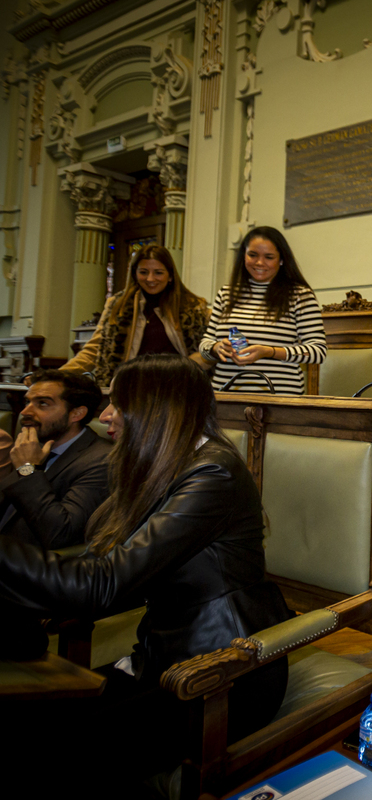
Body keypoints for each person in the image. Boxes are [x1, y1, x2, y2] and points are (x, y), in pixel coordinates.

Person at [0, 355, 291, 791]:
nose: (106, 416)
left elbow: (103, 583)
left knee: (48, 757)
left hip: (224, 673)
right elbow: (104, 570)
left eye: (119, 402)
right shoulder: (160, 464)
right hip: (164, 656)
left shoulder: (213, 473)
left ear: (159, 408)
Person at [62, 244, 210, 387]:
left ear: (170, 276)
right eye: (143, 272)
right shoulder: (117, 304)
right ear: (134, 273)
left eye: (158, 272)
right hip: (128, 387)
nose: (150, 279)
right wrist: (60, 375)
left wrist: (184, 370)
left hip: (176, 387)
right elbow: (95, 348)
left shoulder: (194, 307)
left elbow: (206, 351)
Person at [200, 226, 326, 394]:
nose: (259, 263)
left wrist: (269, 351)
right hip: (225, 395)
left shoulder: (300, 296)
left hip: (279, 397)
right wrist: (216, 348)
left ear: (281, 260)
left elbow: (317, 351)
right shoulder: (226, 293)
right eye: (252, 255)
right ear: (243, 256)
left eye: (269, 257)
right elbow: (205, 344)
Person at [0, 369, 110, 549]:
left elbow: (61, 534)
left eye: (42, 403)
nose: (25, 412)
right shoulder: (32, 445)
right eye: (27, 402)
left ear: (77, 414)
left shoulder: (101, 461)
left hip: (30, 569)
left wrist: (27, 469)